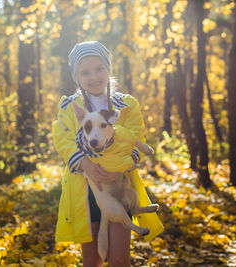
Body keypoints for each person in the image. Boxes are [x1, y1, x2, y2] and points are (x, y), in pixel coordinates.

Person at [52, 41, 163, 267]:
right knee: (93, 259)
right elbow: (62, 139)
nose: (93, 76)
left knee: (119, 258)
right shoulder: (70, 108)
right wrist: (86, 164)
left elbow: (134, 136)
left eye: (99, 68)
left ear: (108, 68)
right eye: (85, 72)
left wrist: (124, 165)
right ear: (76, 77)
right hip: (85, 189)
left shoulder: (126, 105)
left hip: (118, 185)